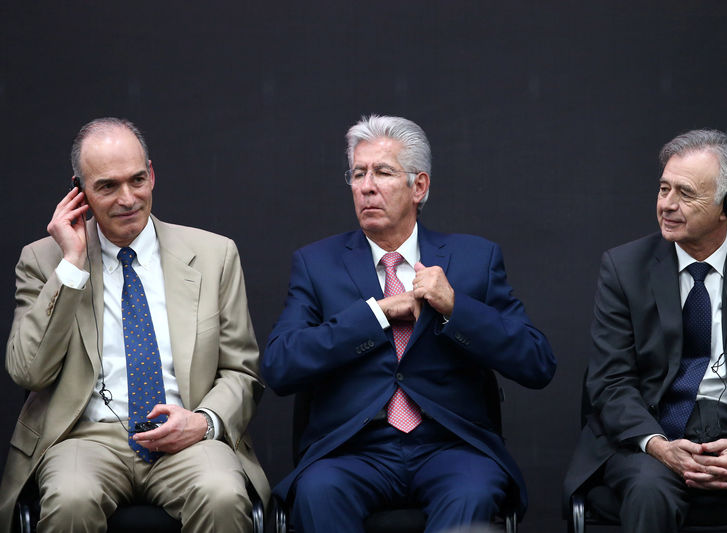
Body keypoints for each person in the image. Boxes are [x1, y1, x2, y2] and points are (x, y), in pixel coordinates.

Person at [262, 115, 556, 532]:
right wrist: (375, 314)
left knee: (472, 493)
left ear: (419, 187)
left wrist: (454, 306)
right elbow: (279, 366)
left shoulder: (475, 259)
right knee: (318, 493)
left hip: (450, 446)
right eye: (358, 174)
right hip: (353, 450)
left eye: (382, 172)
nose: (366, 186)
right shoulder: (316, 264)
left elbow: (537, 363)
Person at [0, 117, 269, 532]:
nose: (128, 198)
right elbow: (28, 371)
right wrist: (71, 266)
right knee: (70, 500)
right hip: (84, 437)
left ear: (152, 174)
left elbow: (242, 371)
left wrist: (203, 421)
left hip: (187, 435)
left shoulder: (215, 254)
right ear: (80, 190)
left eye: (137, 180)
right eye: (107, 186)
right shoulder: (43, 261)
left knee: (222, 494)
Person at [563, 129, 727, 532]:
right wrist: (659, 446)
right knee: (648, 493)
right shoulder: (624, 269)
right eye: (663, 189)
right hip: (653, 437)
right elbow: (611, 382)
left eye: (685, 194)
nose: (666, 205)